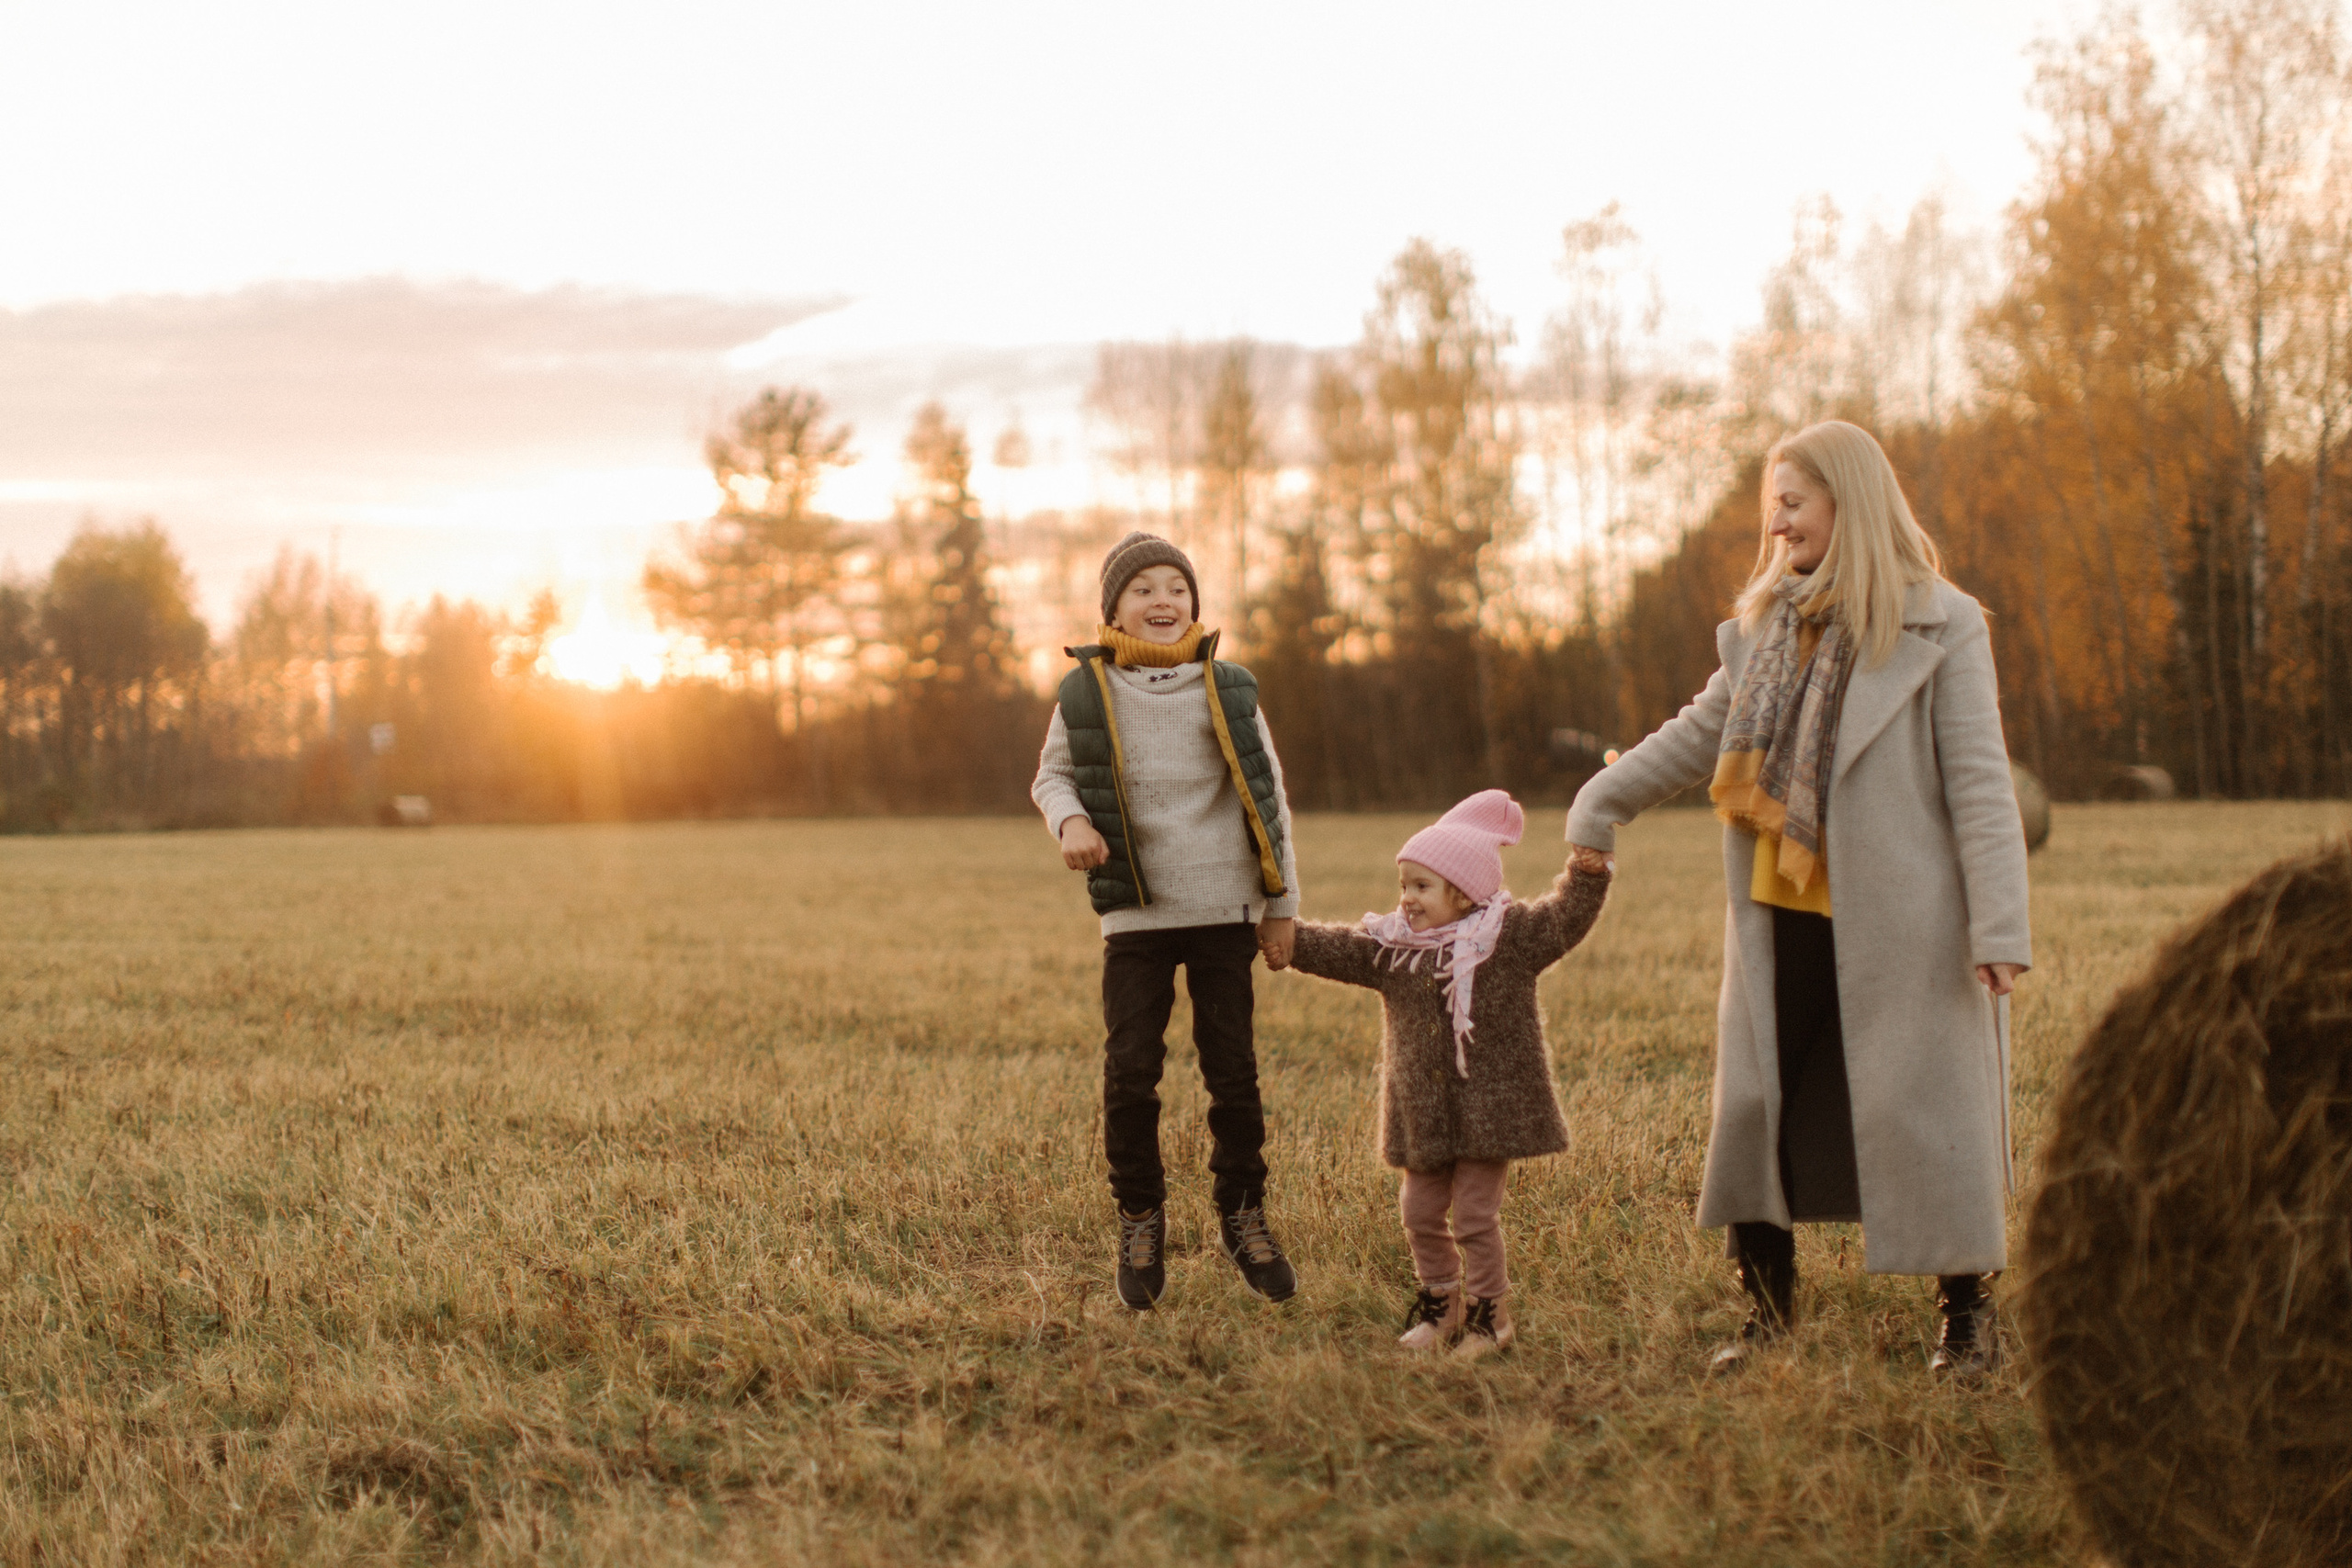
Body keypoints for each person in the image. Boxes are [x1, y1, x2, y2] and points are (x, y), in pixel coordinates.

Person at [1566, 420, 2030, 1379]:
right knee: (1758, 1110)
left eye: (1791, 502)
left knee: (1931, 1114)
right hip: (1779, 917)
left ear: (1847, 502)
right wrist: (1599, 801)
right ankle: (1768, 1315)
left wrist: (1998, 926)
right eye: (1770, 506)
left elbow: (1982, 785)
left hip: (1908, 926)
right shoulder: (1764, 632)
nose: (1775, 525)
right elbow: (1698, 733)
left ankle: (1965, 1317)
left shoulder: (1943, 625)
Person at [1031, 532, 1303, 1312]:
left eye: (1177, 588)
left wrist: (1281, 907)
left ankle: (1244, 1213)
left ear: (1194, 603)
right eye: (1144, 588)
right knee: (1130, 1071)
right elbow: (1051, 777)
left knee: (1233, 1070)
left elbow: (1271, 800)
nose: (1163, 600)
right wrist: (1071, 823)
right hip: (1135, 914)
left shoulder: (1231, 687)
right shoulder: (1086, 693)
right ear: (1113, 609)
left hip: (1224, 907)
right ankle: (1140, 1216)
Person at [1283, 791, 1611, 1357]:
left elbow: (1566, 918)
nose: (1406, 898)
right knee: (1418, 1214)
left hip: (1488, 1115)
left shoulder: (1508, 939)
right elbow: (1340, 948)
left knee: (1475, 1218)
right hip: (1424, 1117)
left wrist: (1587, 873)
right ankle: (1442, 1305)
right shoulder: (1394, 949)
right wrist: (1287, 938)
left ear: (1462, 892)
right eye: (1404, 885)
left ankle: (1491, 1317)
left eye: (1421, 886)